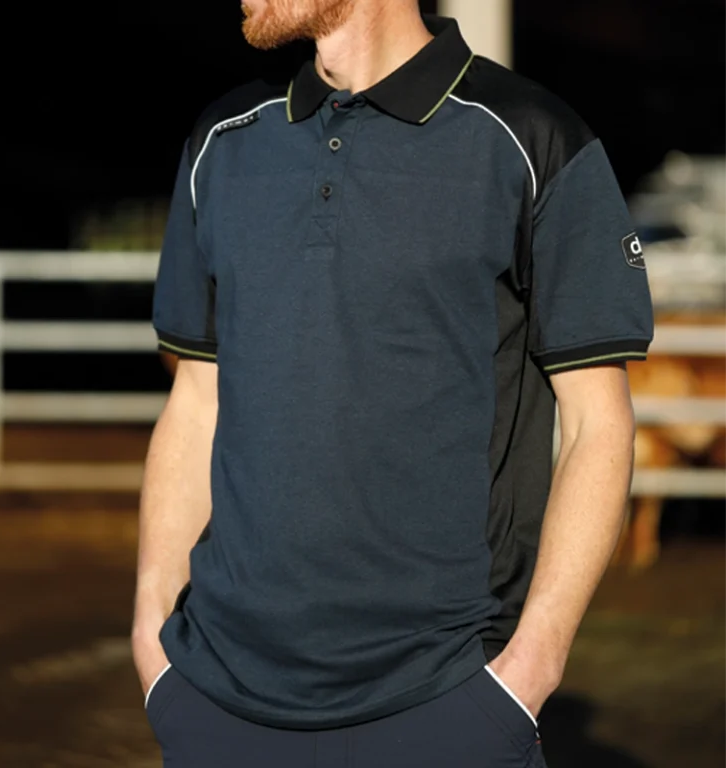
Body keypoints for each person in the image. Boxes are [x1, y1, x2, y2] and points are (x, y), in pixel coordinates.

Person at [131, 2, 655, 766]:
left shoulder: (533, 137)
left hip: (443, 701)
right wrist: (153, 636)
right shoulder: (224, 139)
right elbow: (196, 401)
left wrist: (529, 669)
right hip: (217, 703)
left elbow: (596, 424)